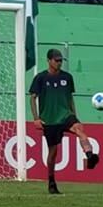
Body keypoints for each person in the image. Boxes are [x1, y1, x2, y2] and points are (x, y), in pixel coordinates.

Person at [28, 48, 80, 195]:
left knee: (80, 131)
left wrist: (74, 115)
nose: (59, 63)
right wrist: (36, 118)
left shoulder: (67, 77)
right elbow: (32, 97)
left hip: (65, 116)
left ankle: (90, 156)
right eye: (56, 60)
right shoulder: (41, 78)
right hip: (49, 120)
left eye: (61, 60)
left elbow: (70, 97)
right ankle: (51, 180)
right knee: (53, 151)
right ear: (49, 61)